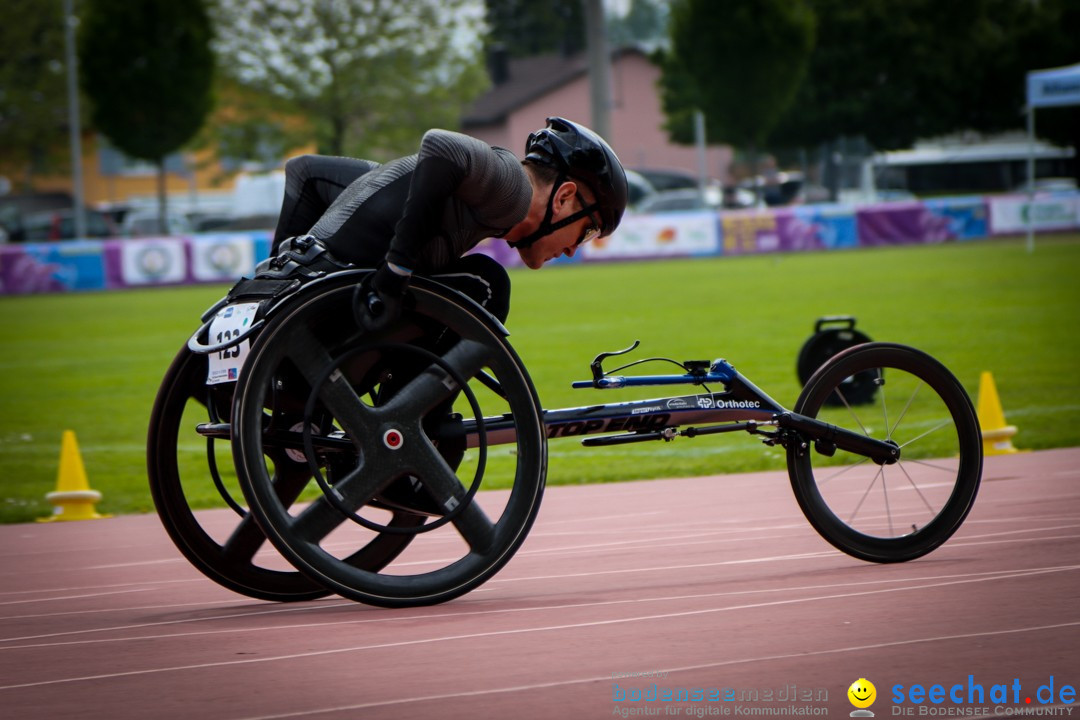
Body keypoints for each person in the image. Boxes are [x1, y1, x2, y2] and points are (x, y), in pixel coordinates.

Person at [270, 116, 628, 326]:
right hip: (325, 308)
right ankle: (417, 425)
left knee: (476, 277)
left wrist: (273, 279)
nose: (572, 251)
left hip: (304, 303)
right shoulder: (514, 191)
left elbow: (307, 173)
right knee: (488, 284)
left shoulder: (450, 199)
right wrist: (398, 267)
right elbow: (442, 145)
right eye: (588, 230)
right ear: (564, 197)